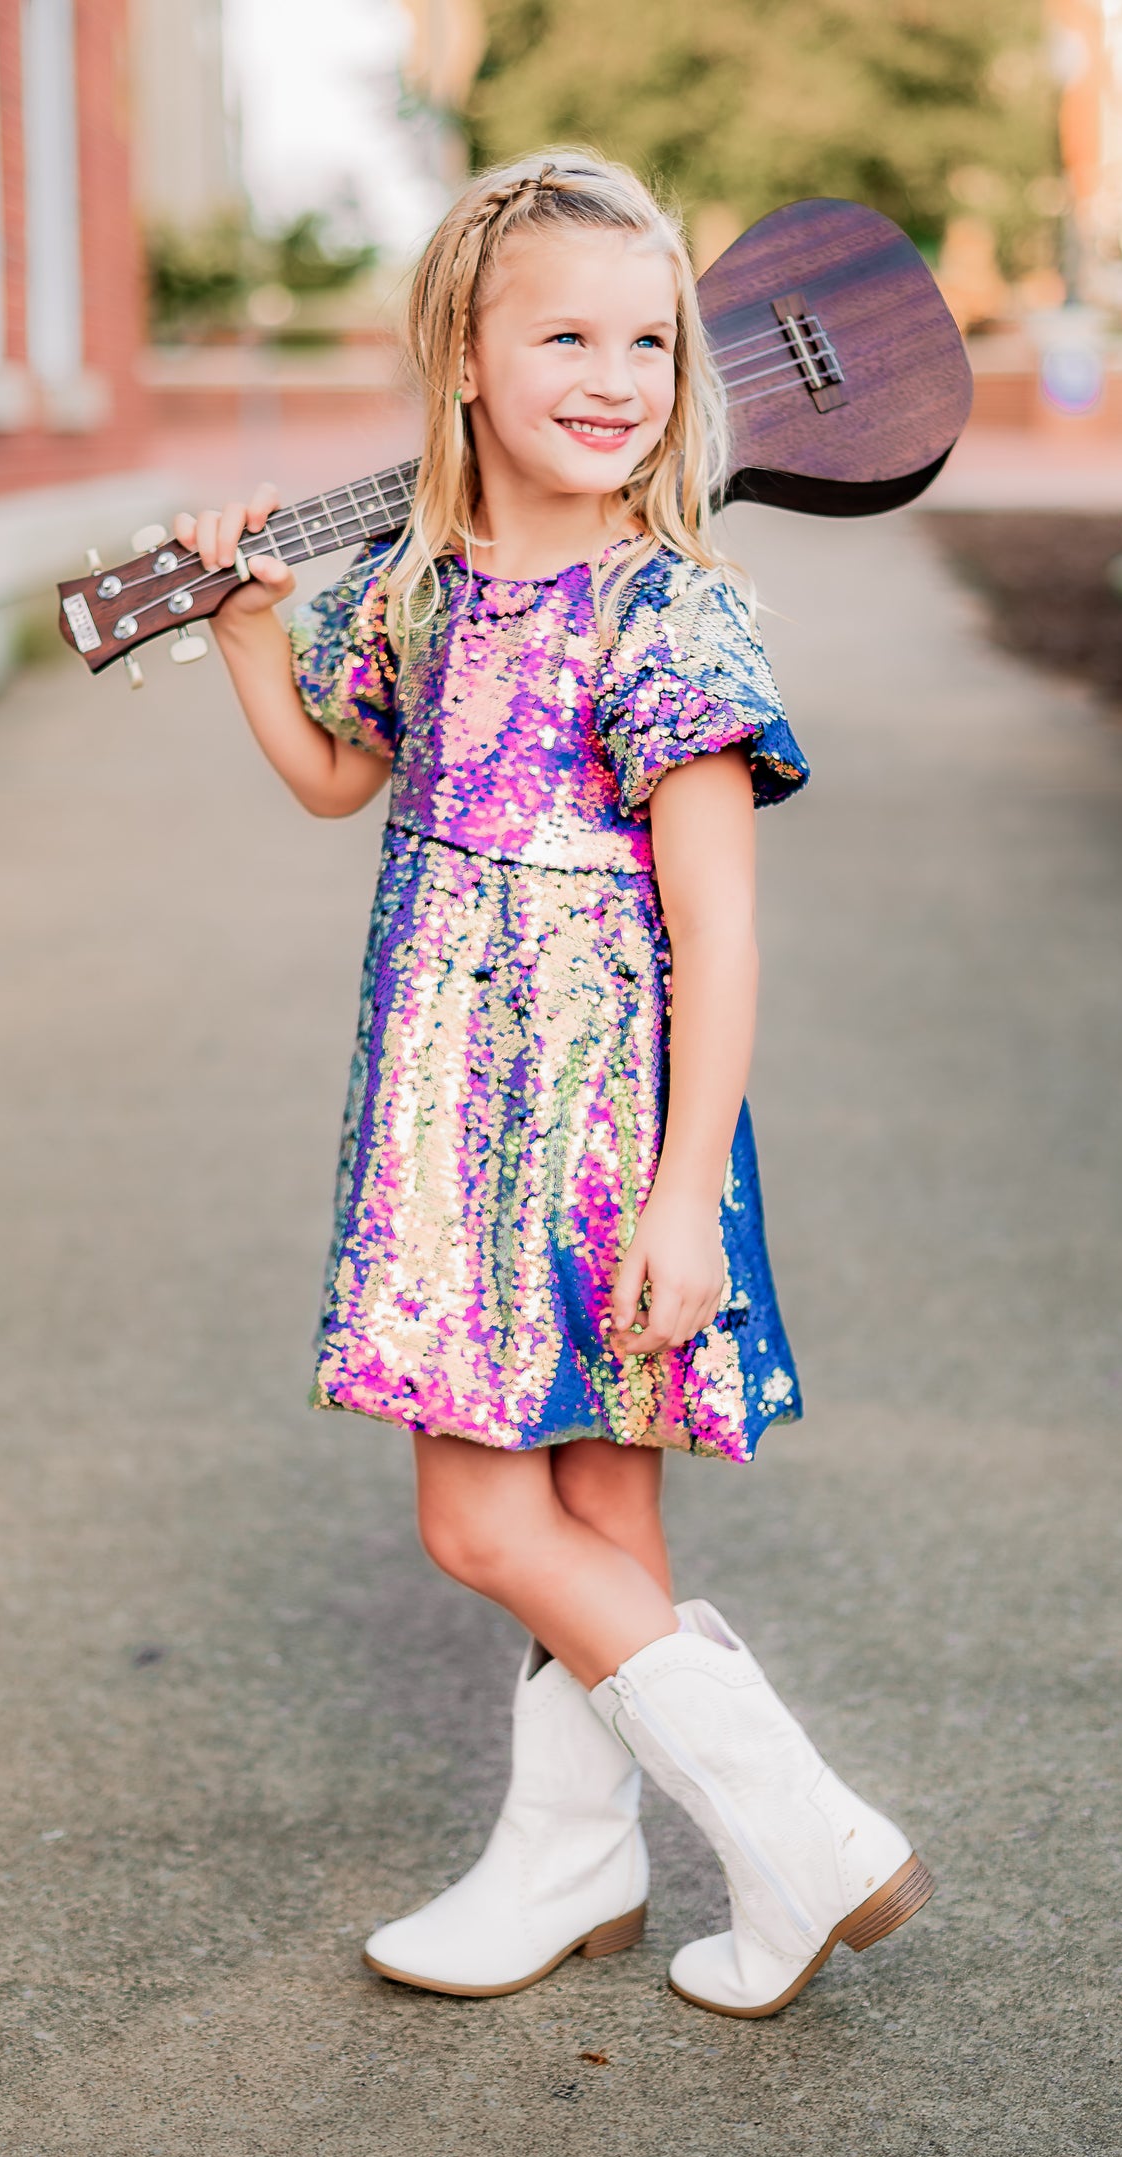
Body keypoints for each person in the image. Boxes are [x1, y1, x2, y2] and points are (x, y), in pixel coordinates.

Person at [174, 150, 932, 2019]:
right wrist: (249, 638)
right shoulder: (417, 590)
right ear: (461, 353)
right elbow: (337, 783)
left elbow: (722, 934)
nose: (615, 376)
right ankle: (590, 1863)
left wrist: (681, 1192)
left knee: (481, 1521)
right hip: (444, 1100)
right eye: (566, 334)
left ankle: (811, 1826)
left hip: (606, 1121)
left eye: (650, 341)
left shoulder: (670, 614)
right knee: (601, 1519)